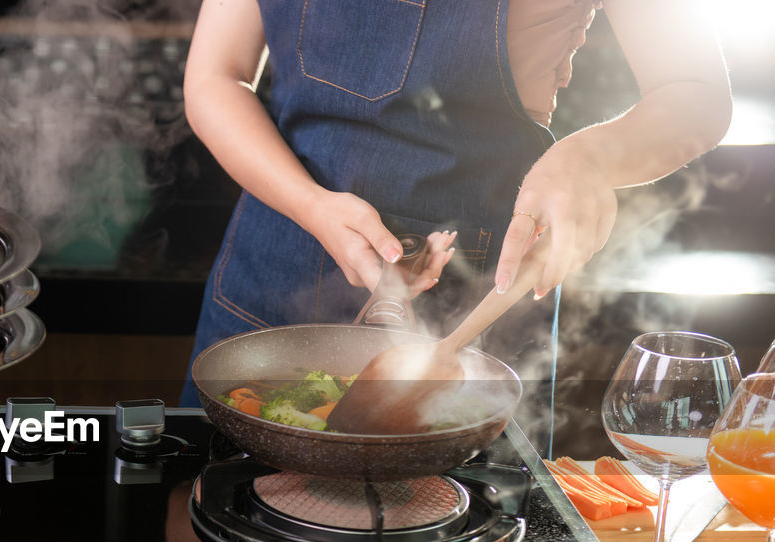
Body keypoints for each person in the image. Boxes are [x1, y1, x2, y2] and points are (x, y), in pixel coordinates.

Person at [178, 0, 733, 450]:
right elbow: (215, 77)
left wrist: (592, 157)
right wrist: (311, 206)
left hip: (481, 308)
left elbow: (697, 94)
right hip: (269, 277)